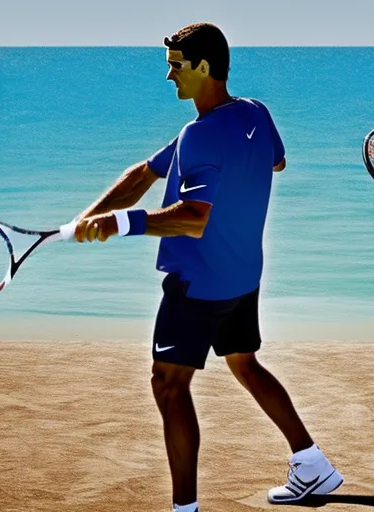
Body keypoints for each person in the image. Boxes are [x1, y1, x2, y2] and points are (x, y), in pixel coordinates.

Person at [72, 23, 343, 511]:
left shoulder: (199, 135)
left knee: (168, 385)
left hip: (200, 285)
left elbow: (193, 220)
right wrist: (90, 217)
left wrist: (121, 224)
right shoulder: (253, 114)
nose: (169, 75)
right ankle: (312, 464)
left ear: (202, 67)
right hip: (243, 275)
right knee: (243, 361)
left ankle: (185, 509)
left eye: (176, 65)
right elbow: (150, 172)